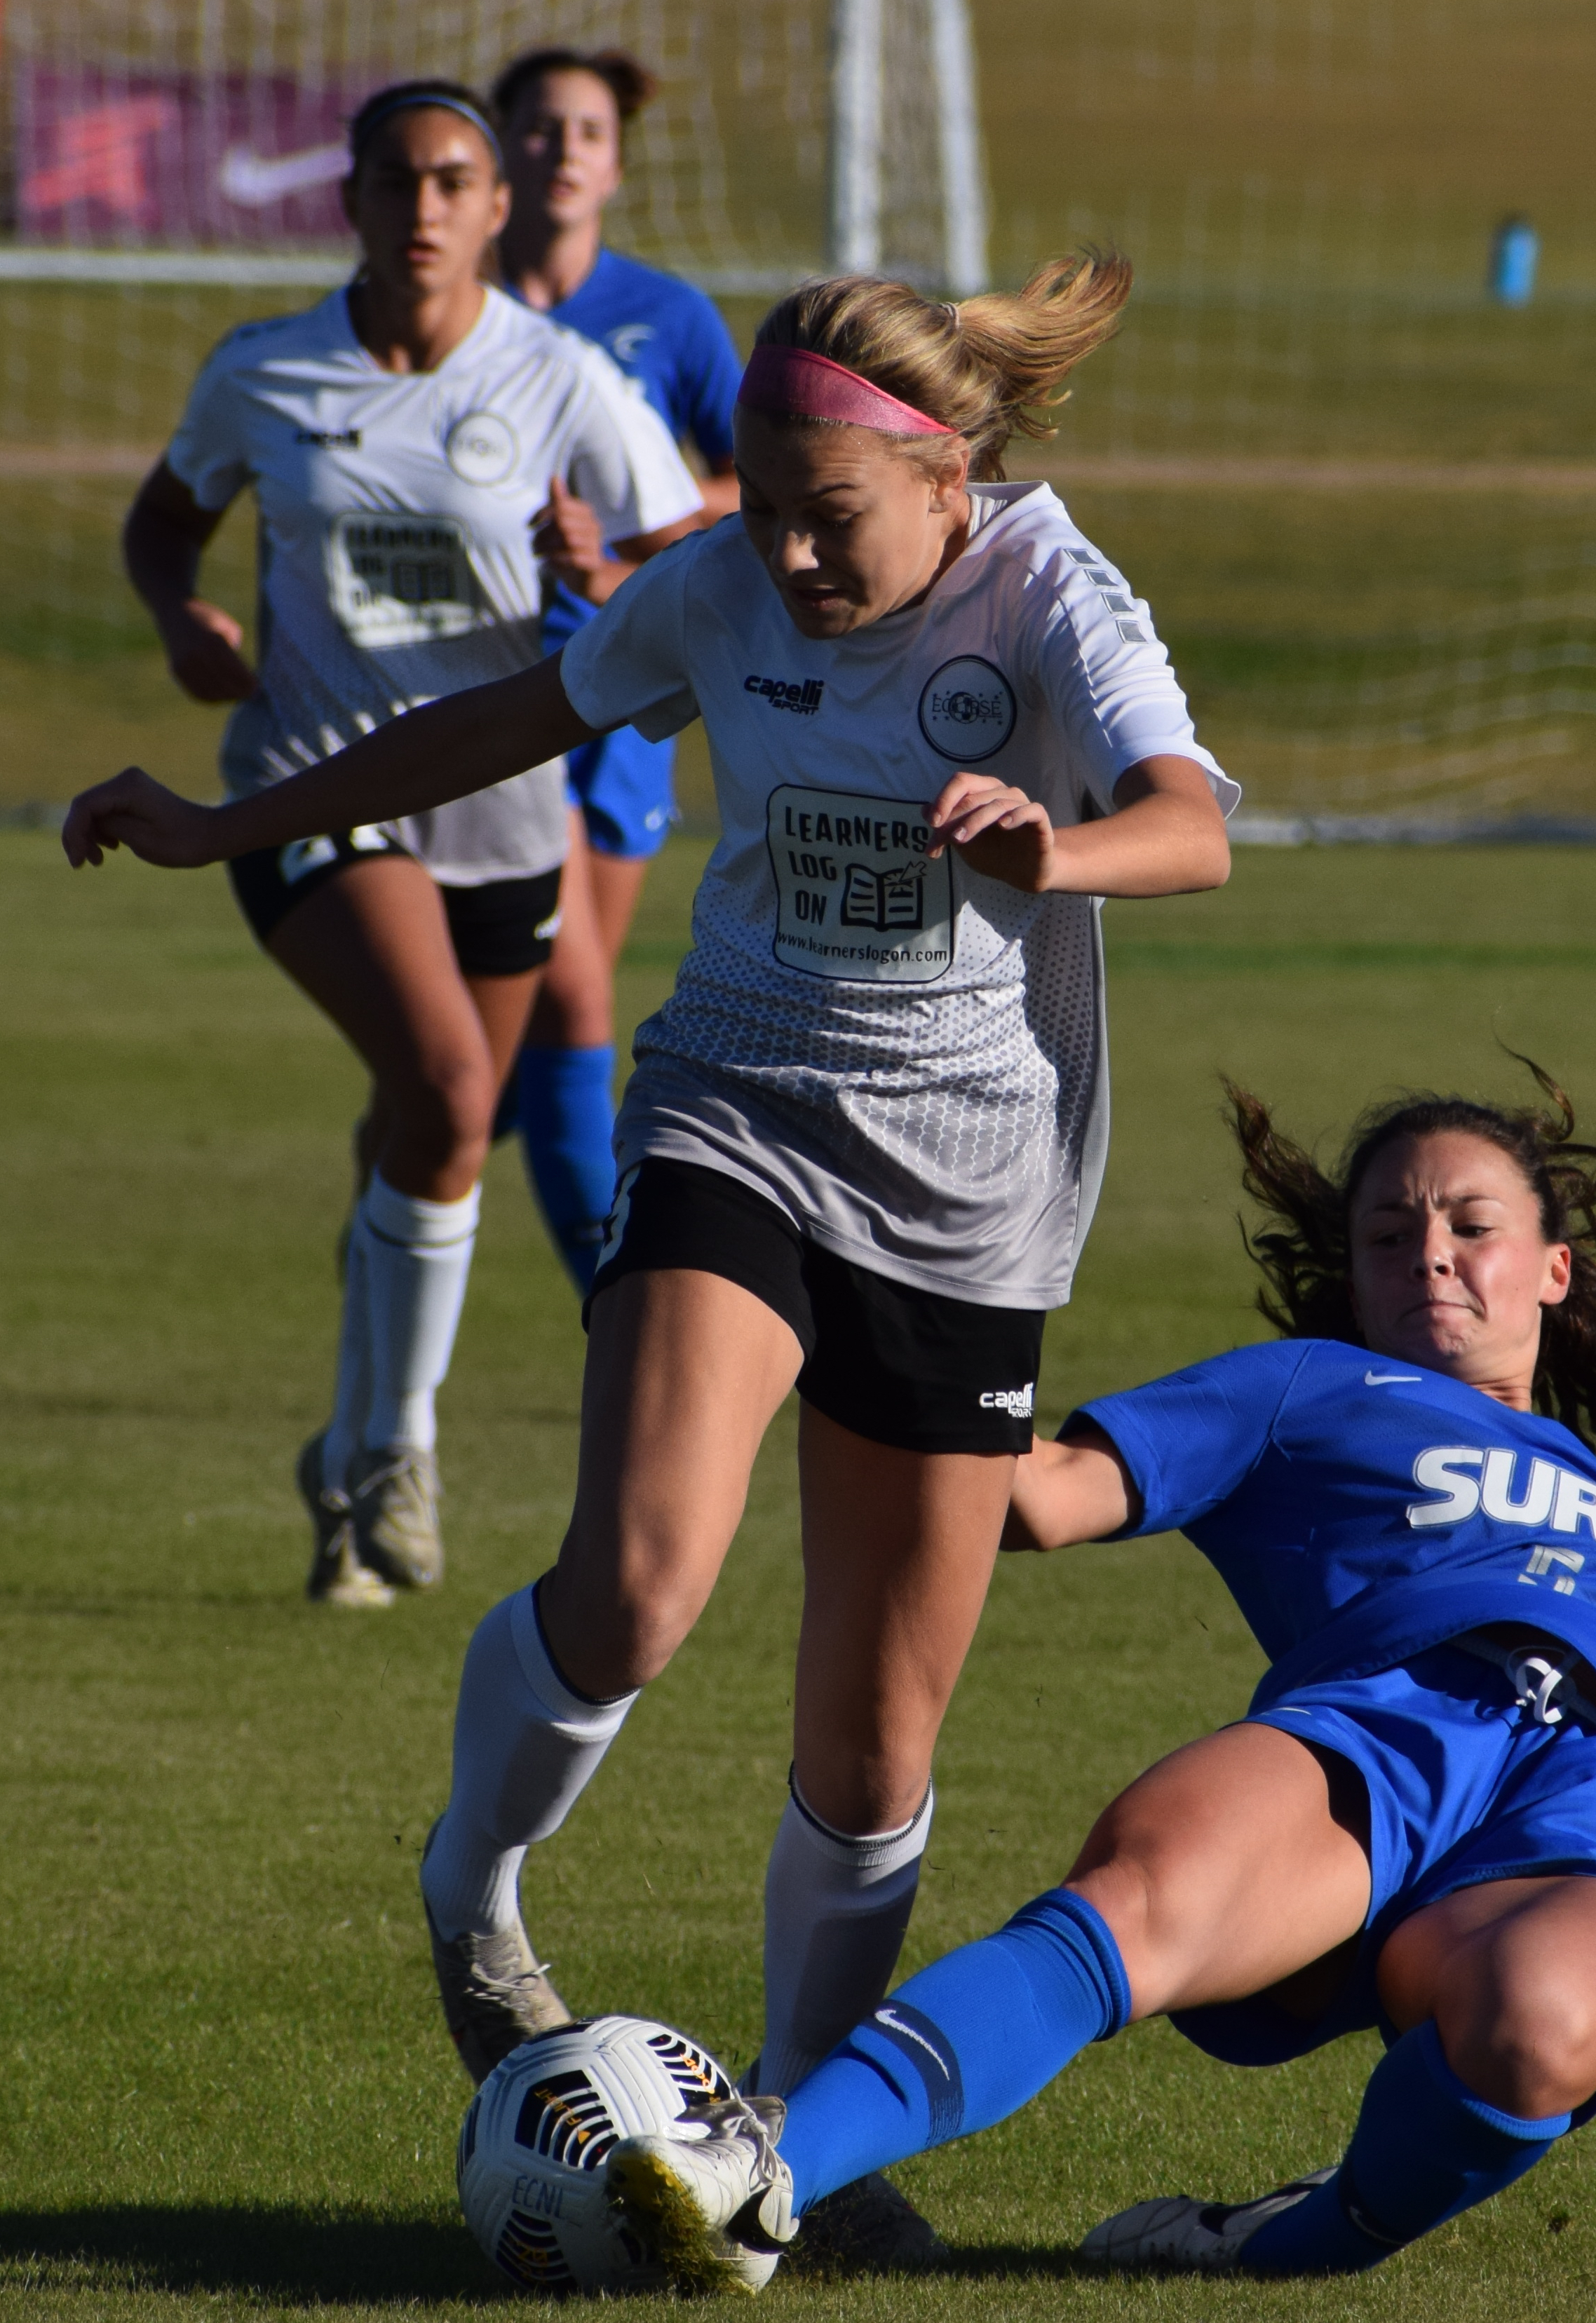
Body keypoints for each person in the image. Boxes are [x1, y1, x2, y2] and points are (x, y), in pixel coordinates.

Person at [66, 255, 1236, 2274]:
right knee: (633, 1587)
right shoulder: (722, 590)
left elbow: (1195, 821)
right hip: (740, 1115)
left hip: (972, 1200)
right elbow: (504, 715)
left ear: (943, 477)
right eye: (761, 504)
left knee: (874, 1749)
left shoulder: (1052, 593)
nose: (781, 551)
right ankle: (474, 1883)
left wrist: (1062, 849)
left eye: (827, 516)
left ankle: (798, 2141)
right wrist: (217, 817)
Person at [594, 1069, 1596, 2291]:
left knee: (1536, 2027)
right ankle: (764, 2170)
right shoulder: (1308, 1386)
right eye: (1390, 1233)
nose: (1428, 1253)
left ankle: (1265, 2242)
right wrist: (865, 1318)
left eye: (1469, 1225)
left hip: (1585, 1813)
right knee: (1140, 1894)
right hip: (1384, 1733)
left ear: (1554, 1269)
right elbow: (1040, 1497)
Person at [117, 80, 703, 1606]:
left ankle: (344, 1463)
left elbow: (686, 536)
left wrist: (608, 556)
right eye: (398, 179)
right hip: (317, 787)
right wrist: (184, 620)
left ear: (499, 205)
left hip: (505, 807)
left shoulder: (561, 376)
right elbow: (161, 521)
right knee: (449, 1091)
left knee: (425, 1132)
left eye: (457, 180)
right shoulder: (264, 372)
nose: (427, 207)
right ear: (353, 201)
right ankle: (396, 1449)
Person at [489, 46, 747, 1295]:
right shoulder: (454, 313)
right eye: (537, 127)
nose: (561, 150)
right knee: (563, 991)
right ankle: (618, 1302)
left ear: (618, 161)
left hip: (630, 690)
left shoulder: (665, 314)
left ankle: (404, 1181)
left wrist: (640, 530)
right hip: (487, 699)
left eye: (585, 130)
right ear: (497, 151)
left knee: (523, 1016)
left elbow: (764, 479)